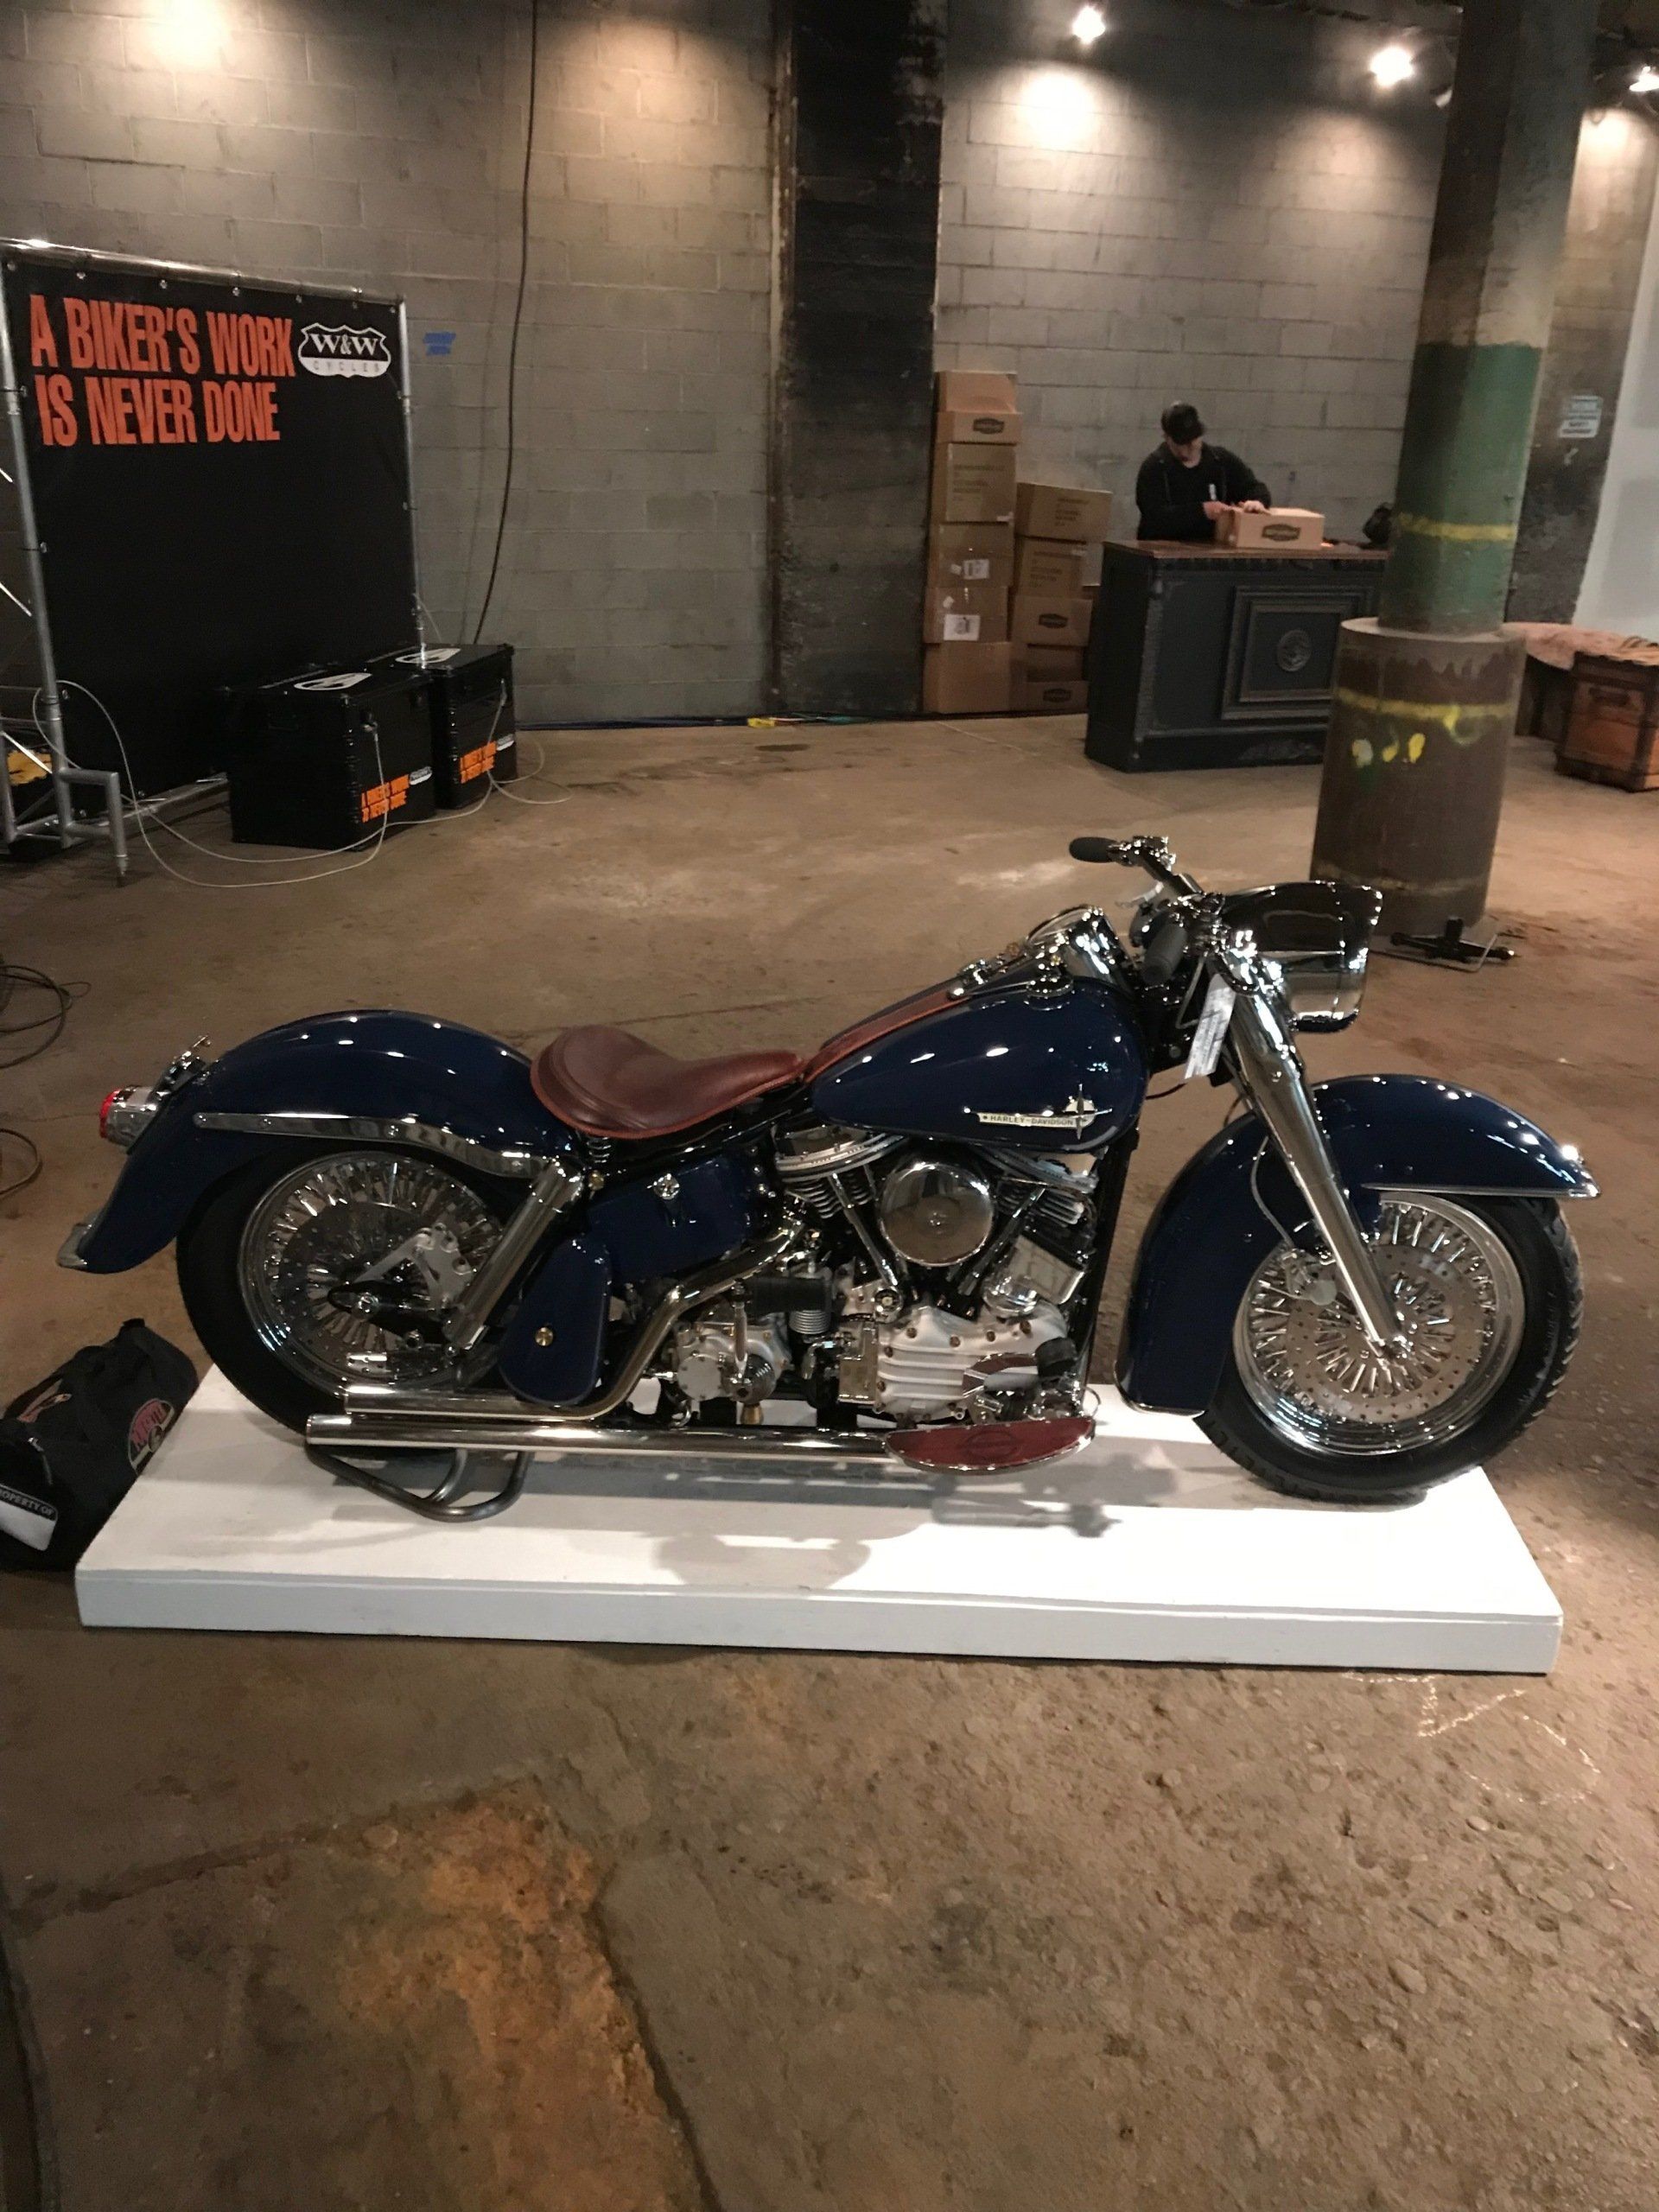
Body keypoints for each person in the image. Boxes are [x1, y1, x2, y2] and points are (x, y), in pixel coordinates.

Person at [1135, 403, 1273, 542]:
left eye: (1192, 441)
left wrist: (1256, 502)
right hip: (1167, 553)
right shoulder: (1155, 468)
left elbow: (1254, 487)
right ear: (1167, 438)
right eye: (1181, 443)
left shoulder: (1221, 462)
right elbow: (1155, 518)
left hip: (1212, 550)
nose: (1188, 448)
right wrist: (1201, 512)